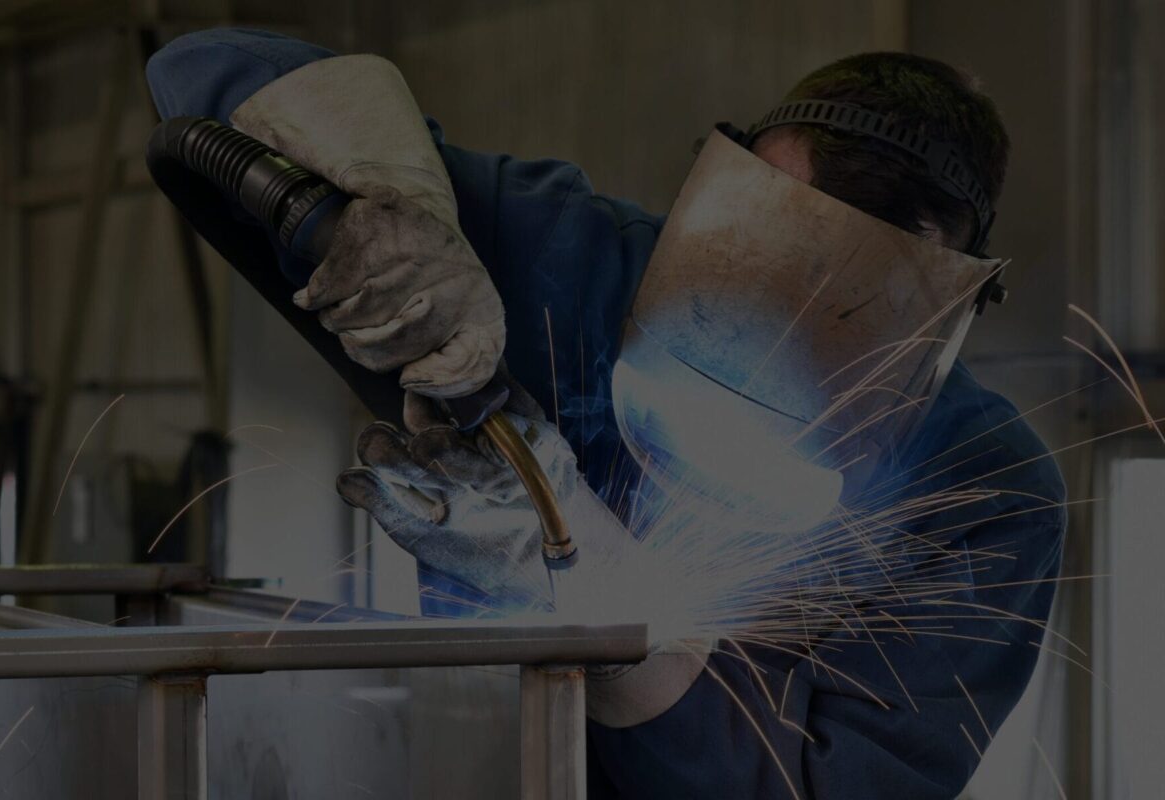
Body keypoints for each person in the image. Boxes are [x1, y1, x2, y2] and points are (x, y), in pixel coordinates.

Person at [147, 29, 1066, 799]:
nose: (786, 316)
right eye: (777, 242)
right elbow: (201, 75)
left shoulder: (986, 486)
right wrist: (406, 214)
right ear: (726, 186)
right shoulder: (563, 257)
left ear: (943, 310)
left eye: (849, 301)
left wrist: (584, 591)